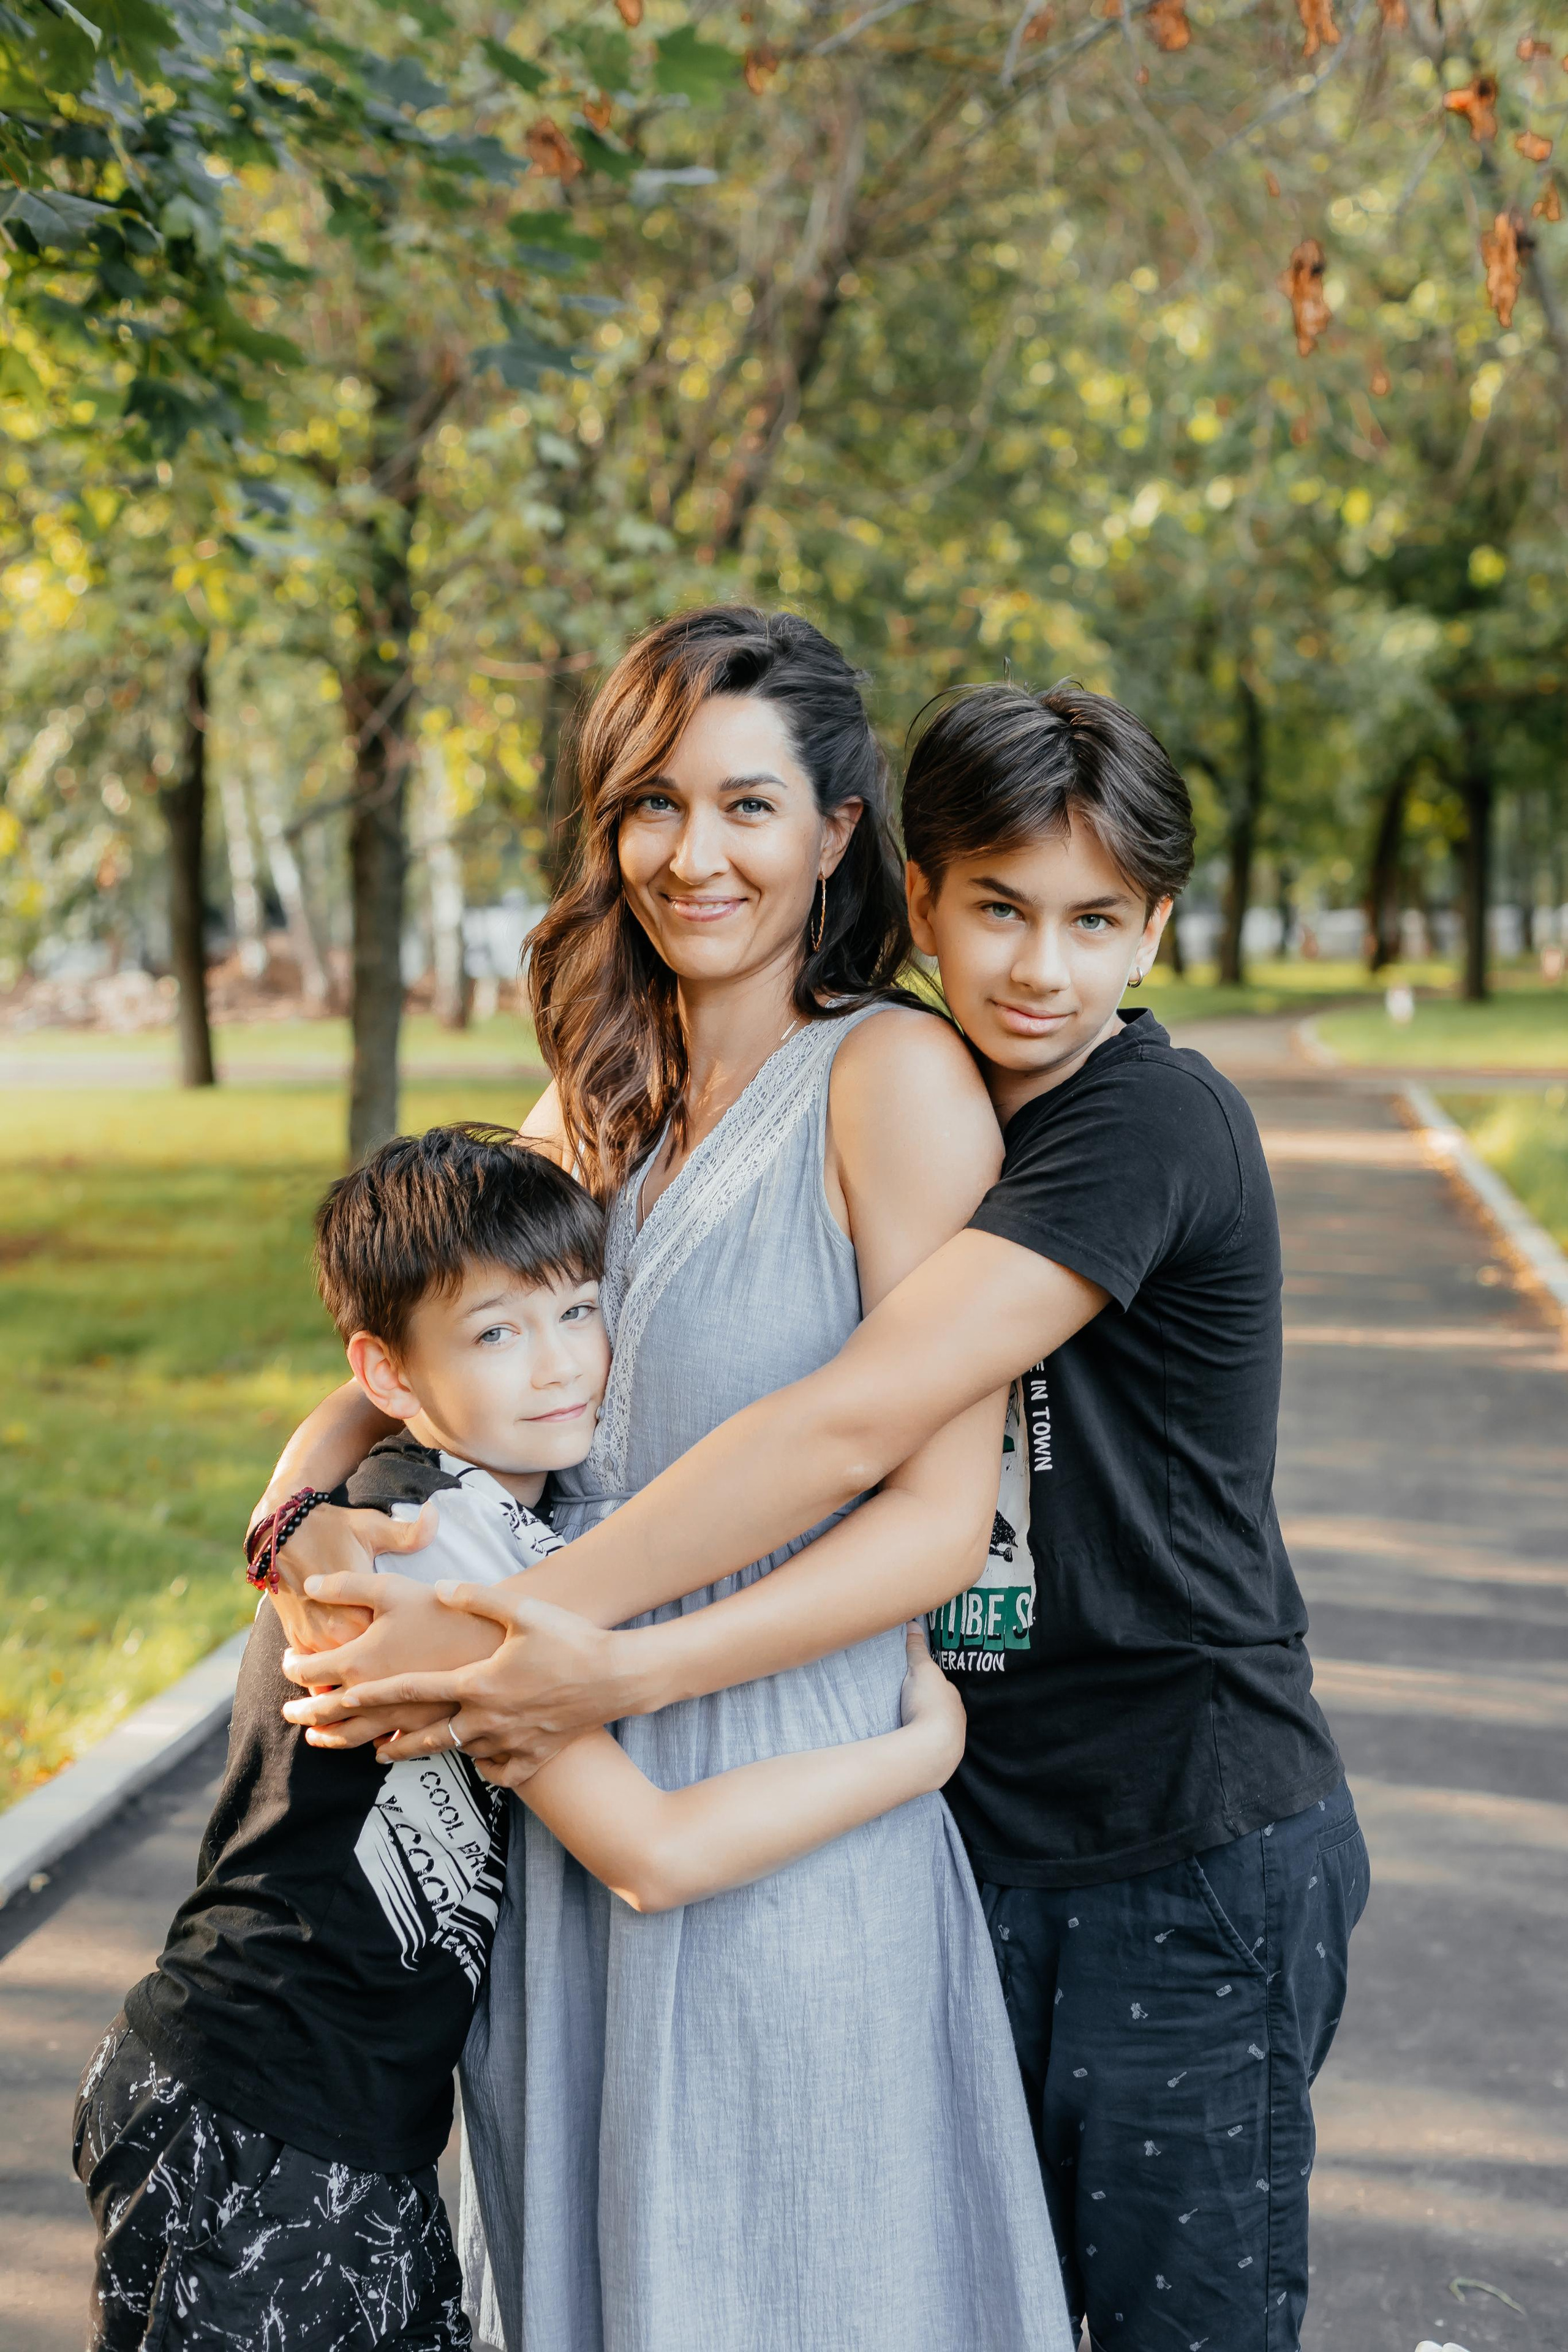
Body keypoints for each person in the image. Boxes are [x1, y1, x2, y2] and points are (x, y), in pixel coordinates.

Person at [289, 682, 1369, 2352]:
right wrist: (299, 1514)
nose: (1040, 968)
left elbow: (855, 1419)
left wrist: (562, 1637)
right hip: (970, 1815)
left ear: (1156, 932)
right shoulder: (839, 1086)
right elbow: (437, 1324)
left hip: (1179, 1829)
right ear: (920, 895)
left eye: (1095, 923)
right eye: (999, 911)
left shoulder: (1139, 1122)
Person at [253, 610, 1076, 2352]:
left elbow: (939, 1523)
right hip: (566, 1834)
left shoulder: (895, 1081)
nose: (693, 855)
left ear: (840, 830)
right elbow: (415, 1344)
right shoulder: (589, 1105)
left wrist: (607, 1666)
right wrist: (308, 1499)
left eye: (749, 806)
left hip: (787, 1816)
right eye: (652, 806)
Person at [73, 1123, 970, 2352]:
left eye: (576, 1312)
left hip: (345, 2116)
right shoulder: (427, 1556)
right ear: (390, 1377)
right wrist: (914, 1757)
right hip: (255, 2106)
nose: (558, 1368)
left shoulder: (489, 1513)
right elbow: (647, 1852)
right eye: (497, 1335)